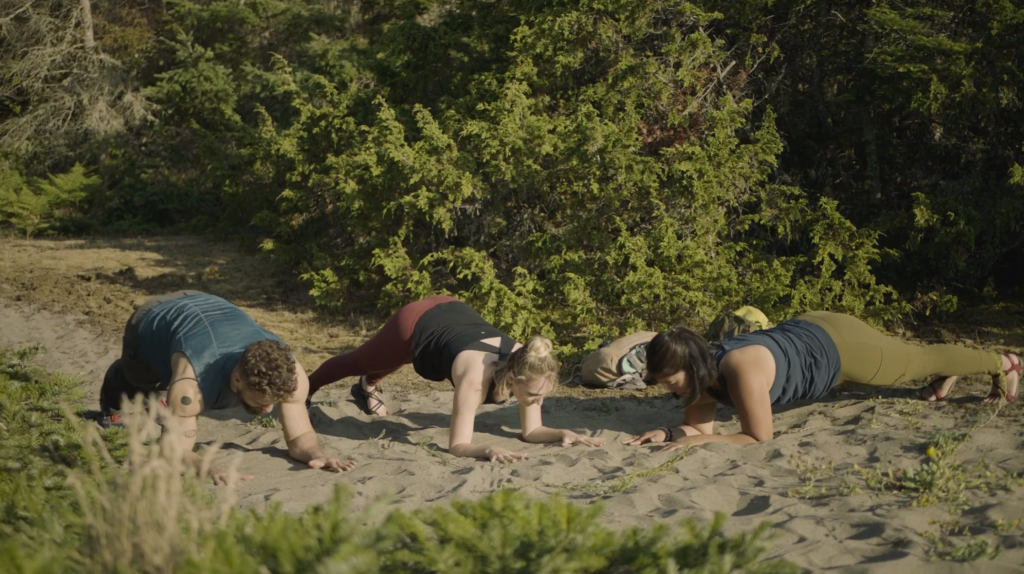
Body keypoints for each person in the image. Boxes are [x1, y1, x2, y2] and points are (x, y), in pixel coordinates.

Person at [622, 311, 1020, 450]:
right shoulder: (700, 377)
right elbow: (698, 427)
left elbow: (759, 438)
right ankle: (949, 370)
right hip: (808, 328)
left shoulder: (738, 369)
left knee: (914, 361)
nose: (668, 389)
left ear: (689, 366)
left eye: (670, 380)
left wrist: (702, 440)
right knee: (916, 359)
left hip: (841, 348)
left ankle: (1003, 362)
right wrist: (668, 434)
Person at [307, 295, 605, 462]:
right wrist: (486, 449)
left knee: (395, 359)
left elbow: (532, 431)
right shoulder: (475, 381)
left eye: (542, 396)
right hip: (417, 322)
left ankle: (366, 387)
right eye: (535, 397)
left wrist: (563, 433)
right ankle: (305, 388)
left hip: (457, 318)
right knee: (365, 360)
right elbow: (457, 446)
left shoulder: (530, 364)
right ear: (513, 378)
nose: (538, 401)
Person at [100, 291, 356, 484]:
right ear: (237, 380)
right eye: (262, 401)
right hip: (155, 317)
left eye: (273, 402)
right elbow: (174, 450)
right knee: (139, 381)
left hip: (211, 303)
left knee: (172, 397)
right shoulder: (191, 387)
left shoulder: (291, 375)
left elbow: (299, 438)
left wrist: (318, 454)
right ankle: (122, 377)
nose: (268, 409)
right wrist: (207, 466)